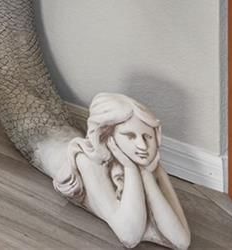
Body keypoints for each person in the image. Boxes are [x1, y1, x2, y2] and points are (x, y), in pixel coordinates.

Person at [52, 93, 190, 250]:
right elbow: (130, 236)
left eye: (147, 137)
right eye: (130, 136)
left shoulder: (149, 164)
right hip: (51, 147)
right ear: (108, 136)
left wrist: (145, 174)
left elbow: (182, 241)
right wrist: (130, 168)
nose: (143, 146)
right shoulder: (90, 163)